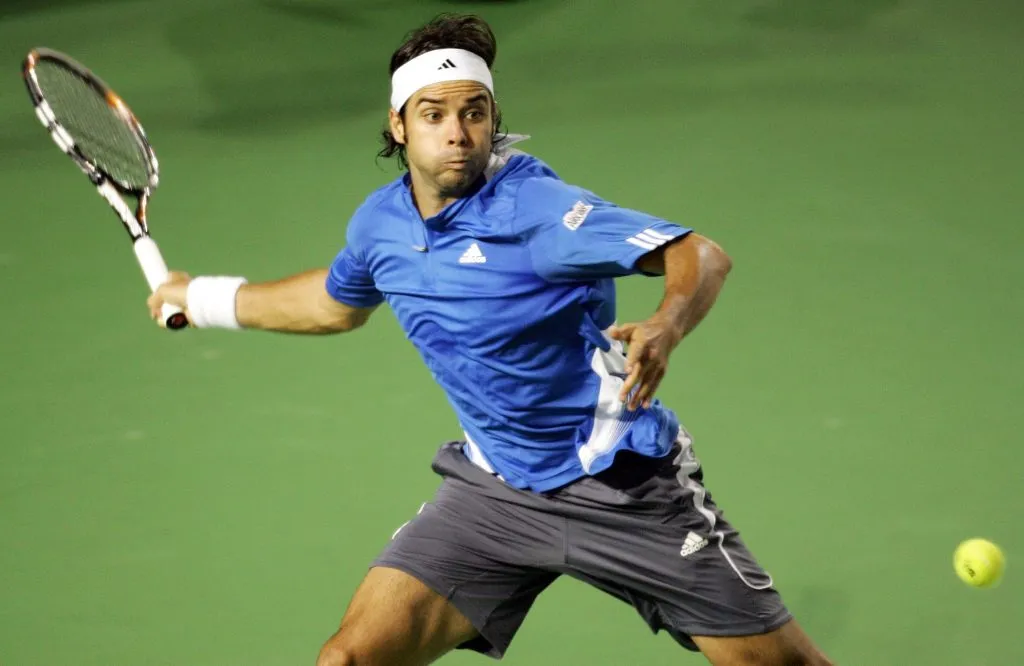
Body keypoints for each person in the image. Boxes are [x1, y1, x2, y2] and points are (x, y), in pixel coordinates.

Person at [148, 12, 834, 666]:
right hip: (495, 493)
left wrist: (666, 323)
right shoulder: (382, 226)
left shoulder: (537, 213)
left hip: (623, 487)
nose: (457, 133)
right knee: (350, 657)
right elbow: (332, 304)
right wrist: (201, 299)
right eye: (434, 114)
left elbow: (700, 252)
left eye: (474, 112)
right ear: (398, 125)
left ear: (493, 120)